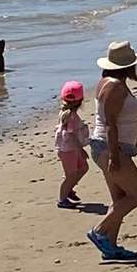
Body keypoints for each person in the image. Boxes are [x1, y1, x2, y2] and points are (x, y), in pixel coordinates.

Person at [87, 41, 137, 261]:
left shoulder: (109, 82)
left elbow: (121, 119)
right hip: (110, 148)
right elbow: (111, 123)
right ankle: (100, 232)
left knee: (119, 198)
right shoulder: (115, 86)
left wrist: (136, 142)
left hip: (110, 145)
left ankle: (110, 247)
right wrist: (114, 156)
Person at [54, 80, 90, 209]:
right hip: (68, 150)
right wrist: (81, 150)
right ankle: (62, 198)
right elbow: (72, 135)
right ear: (81, 101)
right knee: (71, 174)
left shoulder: (66, 112)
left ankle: (68, 188)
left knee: (83, 167)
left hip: (70, 148)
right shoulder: (71, 116)